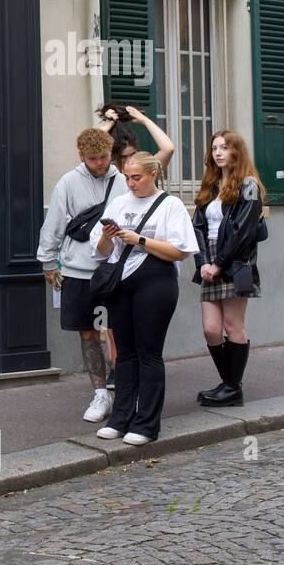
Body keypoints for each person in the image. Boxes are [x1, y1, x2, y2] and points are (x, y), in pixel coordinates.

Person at [90, 152, 198, 445]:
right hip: (120, 283)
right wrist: (108, 236)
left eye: (136, 177)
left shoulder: (170, 204)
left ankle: (147, 424)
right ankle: (120, 418)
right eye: (126, 177)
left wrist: (138, 239)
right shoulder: (119, 202)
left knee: (148, 352)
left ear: (153, 174)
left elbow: (181, 251)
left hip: (155, 281)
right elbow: (100, 251)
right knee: (124, 354)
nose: (130, 183)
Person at [37, 128, 120, 424]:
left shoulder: (122, 181)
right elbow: (55, 223)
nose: (100, 163)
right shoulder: (68, 183)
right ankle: (100, 394)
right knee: (87, 332)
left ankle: (123, 389)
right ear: (81, 156)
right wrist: (48, 262)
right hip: (78, 270)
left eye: (104, 157)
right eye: (93, 158)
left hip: (115, 269)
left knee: (118, 329)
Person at [97, 103, 175, 390]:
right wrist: (108, 123)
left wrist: (142, 118)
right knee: (113, 326)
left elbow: (167, 148)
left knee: (140, 328)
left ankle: (131, 375)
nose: (128, 166)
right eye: (121, 157)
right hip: (112, 249)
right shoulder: (108, 173)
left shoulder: (144, 172)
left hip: (145, 259)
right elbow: (91, 146)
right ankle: (120, 372)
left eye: (131, 156)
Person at [191, 130, 265, 408]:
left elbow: (242, 232)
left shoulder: (248, 185)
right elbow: (196, 226)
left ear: (236, 152)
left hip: (233, 262)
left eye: (224, 147)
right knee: (211, 330)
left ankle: (232, 387)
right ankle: (230, 384)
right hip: (208, 260)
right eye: (214, 148)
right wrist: (203, 264)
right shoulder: (210, 185)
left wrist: (219, 264)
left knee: (233, 325)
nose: (218, 152)